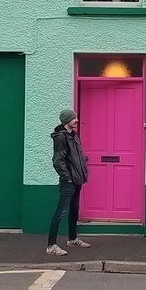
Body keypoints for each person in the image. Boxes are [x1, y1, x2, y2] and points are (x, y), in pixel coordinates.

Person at [47, 108, 92, 255]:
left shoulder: (74, 135)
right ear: (67, 121)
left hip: (77, 178)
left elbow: (76, 155)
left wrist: (82, 164)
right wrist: (68, 177)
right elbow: (58, 161)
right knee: (60, 211)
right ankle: (51, 246)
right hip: (69, 180)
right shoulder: (61, 137)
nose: (76, 120)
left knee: (74, 208)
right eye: (74, 118)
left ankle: (72, 239)